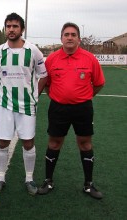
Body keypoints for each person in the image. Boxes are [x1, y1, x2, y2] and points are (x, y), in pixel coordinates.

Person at [37, 22, 105, 199]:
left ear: (79, 39)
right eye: (66, 34)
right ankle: (48, 181)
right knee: (54, 143)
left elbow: (98, 84)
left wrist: (84, 97)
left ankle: (88, 185)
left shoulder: (90, 58)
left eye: (73, 35)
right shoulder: (51, 59)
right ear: (61, 38)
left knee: (85, 143)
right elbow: (46, 84)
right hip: (58, 108)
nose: (69, 37)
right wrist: (58, 97)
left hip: (83, 108)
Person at [0, 12, 48, 195]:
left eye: (15, 26)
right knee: (2, 141)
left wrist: (35, 95)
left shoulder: (33, 51)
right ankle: (0, 177)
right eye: (8, 26)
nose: (11, 29)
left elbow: (43, 75)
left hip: (27, 105)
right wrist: (3, 91)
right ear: (5, 29)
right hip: (4, 104)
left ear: (22, 29)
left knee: (28, 142)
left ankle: (29, 178)